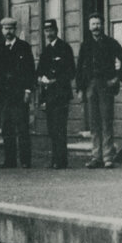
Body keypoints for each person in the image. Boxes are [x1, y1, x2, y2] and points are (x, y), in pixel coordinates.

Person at [74, 15, 122, 168]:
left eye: (98, 23)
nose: (96, 27)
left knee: (106, 120)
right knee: (94, 122)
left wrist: (117, 78)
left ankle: (107, 157)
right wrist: (80, 88)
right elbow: (79, 68)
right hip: (90, 86)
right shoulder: (85, 45)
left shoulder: (110, 43)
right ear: (89, 26)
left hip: (105, 85)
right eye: (93, 24)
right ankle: (96, 156)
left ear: (103, 25)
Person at [0, 16, 37, 167]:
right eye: (6, 29)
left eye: (11, 29)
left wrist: (28, 90)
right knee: (7, 127)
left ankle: (25, 160)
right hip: (5, 94)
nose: (8, 32)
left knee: (22, 127)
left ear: (15, 30)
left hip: (19, 93)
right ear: (2, 30)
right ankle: (9, 160)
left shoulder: (23, 47)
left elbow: (30, 70)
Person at [36, 18, 77, 169]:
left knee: (60, 128)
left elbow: (71, 72)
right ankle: (54, 158)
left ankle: (61, 159)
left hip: (61, 94)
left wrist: (55, 81)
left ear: (56, 30)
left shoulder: (65, 48)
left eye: (51, 30)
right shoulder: (46, 51)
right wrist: (41, 79)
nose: (49, 33)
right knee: (52, 128)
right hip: (48, 95)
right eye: (46, 31)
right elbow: (39, 71)